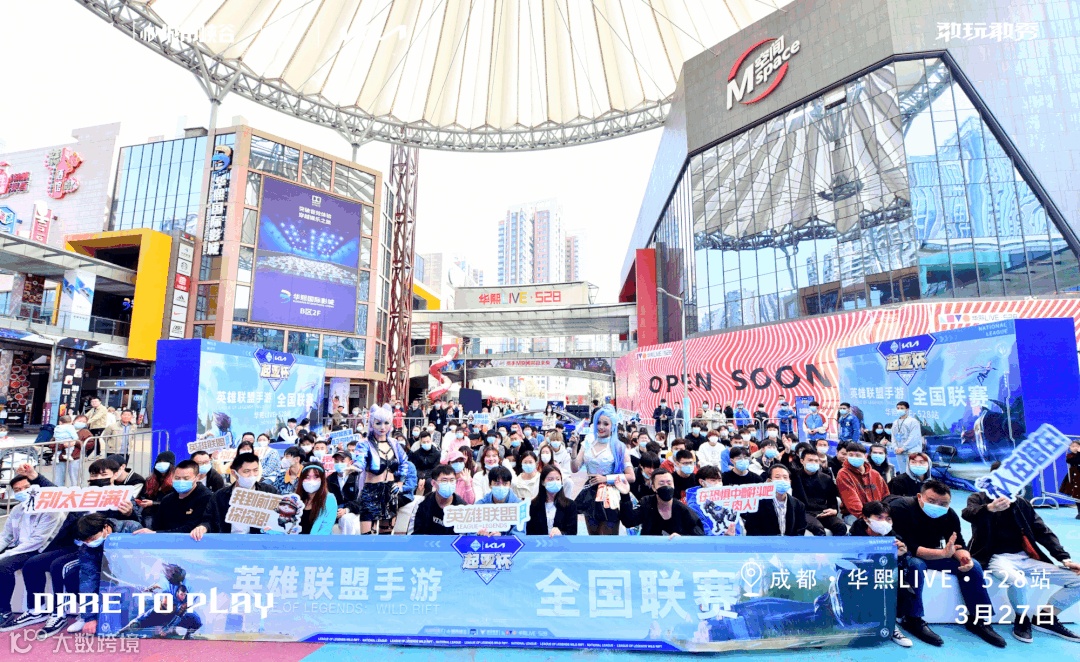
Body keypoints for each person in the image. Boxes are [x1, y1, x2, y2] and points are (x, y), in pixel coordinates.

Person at [888, 480, 1006, 648]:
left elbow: (958, 543)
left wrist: (964, 558)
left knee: (973, 566)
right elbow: (908, 546)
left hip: (935, 553)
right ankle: (912, 618)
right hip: (904, 554)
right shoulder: (901, 508)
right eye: (932, 501)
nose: (937, 506)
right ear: (919, 496)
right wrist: (942, 554)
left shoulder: (949, 515)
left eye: (943, 503)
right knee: (916, 565)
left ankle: (978, 620)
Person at [962, 479, 1080, 643]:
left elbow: (1042, 531)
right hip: (995, 557)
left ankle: (1046, 618)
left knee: (1078, 580)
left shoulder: (1022, 503)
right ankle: (1022, 619)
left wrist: (1064, 558)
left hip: (1025, 557)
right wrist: (990, 508)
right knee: (1018, 582)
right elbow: (968, 513)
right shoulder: (978, 498)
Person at [850, 501, 941, 648]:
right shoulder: (853, 535)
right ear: (866, 518)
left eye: (888, 518)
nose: (884, 522)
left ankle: (899, 622)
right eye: (879, 517)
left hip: (885, 574)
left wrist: (901, 555)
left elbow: (900, 562)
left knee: (914, 566)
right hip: (861, 574)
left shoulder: (893, 537)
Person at [0, 475, 65, 630]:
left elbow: (38, 540)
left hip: (40, 549)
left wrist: (8, 554)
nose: (22, 492)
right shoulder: (17, 509)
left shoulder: (51, 509)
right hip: (20, 548)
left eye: (26, 488)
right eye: (17, 490)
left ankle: (4, 611)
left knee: (4, 565)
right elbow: (6, 536)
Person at [68, 514, 147, 636]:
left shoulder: (131, 529)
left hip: (134, 571)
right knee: (76, 575)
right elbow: (88, 579)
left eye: (92, 538)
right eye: (85, 541)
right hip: (106, 574)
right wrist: (90, 618)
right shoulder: (86, 548)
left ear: (105, 527)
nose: (89, 543)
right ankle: (87, 616)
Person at [571, 406, 635, 535]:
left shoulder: (619, 447)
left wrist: (606, 479)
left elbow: (631, 476)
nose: (601, 427)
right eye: (598, 422)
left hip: (610, 494)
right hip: (590, 493)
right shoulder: (588, 443)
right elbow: (575, 468)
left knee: (608, 537)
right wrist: (574, 448)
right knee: (592, 537)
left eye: (606, 424)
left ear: (613, 426)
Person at [190, 452, 278, 540]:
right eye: (246, 471)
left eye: (255, 470)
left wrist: (275, 526)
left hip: (258, 542)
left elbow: (280, 517)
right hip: (228, 542)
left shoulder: (269, 492)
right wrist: (203, 527)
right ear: (234, 473)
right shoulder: (220, 496)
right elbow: (209, 519)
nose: (252, 475)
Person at [351, 405, 410, 533]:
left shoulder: (394, 444)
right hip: (371, 491)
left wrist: (400, 482)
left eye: (386, 423)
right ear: (372, 424)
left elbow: (405, 462)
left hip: (390, 491)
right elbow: (360, 459)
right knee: (367, 536)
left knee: (387, 534)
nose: (382, 427)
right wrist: (355, 467)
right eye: (378, 423)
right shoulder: (364, 444)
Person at [615, 470, 703, 537]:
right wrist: (625, 495)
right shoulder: (646, 502)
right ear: (653, 487)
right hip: (649, 549)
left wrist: (683, 538)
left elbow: (699, 533)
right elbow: (628, 521)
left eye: (669, 483)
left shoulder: (682, 509)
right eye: (661, 483)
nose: (666, 486)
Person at [792, 450, 847, 536]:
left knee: (841, 526)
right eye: (810, 460)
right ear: (802, 461)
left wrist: (833, 510)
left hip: (822, 512)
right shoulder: (794, 477)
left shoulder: (826, 478)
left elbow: (832, 499)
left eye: (816, 461)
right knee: (818, 528)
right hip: (804, 512)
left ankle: (834, 545)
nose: (813, 463)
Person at [743, 465, 807, 536]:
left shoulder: (799, 505)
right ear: (769, 481)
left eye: (785, 477)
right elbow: (752, 530)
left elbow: (800, 531)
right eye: (777, 477)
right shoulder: (757, 504)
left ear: (790, 482)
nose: (782, 480)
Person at [152, 461, 213, 533]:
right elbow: (157, 525)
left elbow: (192, 528)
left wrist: (158, 533)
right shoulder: (167, 500)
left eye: (186, 478)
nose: (181, 481)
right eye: (177, 478)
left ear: (197, 477)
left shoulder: (206, 498)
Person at [836, 442, 889, 524]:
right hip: (854, 515)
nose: (854, 458)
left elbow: (886, 496)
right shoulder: (843, 474)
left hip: (879, 514)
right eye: (851, 455)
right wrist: (867, 518)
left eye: (858, 455)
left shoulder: (875, 474)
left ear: (865, 456)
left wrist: (885, 514)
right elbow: (852, 501)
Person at [410, 465, 465, 535]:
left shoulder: (462, 507)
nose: (449, 484)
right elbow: (415, 534)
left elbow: (463, 537)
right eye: (444, 480)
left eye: (452, 480)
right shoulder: (423, 503)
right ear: (433, 483)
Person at [527, 466, 578, 536]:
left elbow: (572, 532)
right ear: (543, 482)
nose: (555, 482)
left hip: (561, 542)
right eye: (550, 479)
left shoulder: (570, 505)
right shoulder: (533, 505)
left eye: (558, 479)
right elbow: (529, 531)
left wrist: (561, 533)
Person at [291, 464, 337, 535]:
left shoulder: (329, 499)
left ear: (322, 480)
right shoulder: (295, 499)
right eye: (307, 477)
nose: (311, 481)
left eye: (316, 477)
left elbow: (326, 528)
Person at [138, 450, 176, 529]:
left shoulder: (175, 481)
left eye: (164, 462)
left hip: (167, 515)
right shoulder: (150, 480)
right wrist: (141, 501)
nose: (161, 464)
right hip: (149, 515)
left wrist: (153, 503)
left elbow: (173, 502)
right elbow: (144, 495)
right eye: (159, 462)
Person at [327, 452, 362, 535]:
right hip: (335, 512)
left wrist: (347, 509)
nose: (339, 464)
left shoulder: (358, 478)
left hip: (354, 512)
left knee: (346, 519)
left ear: (350, 462)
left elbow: (361, 500)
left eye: (342, 461)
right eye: (336, 461)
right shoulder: (330, 479)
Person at [891, 401, 923, 473]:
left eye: (902, 408)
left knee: (913, 472)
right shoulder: (895, 422)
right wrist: (895, 447)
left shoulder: (913, 421)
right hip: (899, 452)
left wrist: (903, 448)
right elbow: (893, 437)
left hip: (911, 452)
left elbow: (914, 437)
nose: (899, 410)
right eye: (898, 408)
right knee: (903, 472)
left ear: (907, 409)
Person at [51, 414, 81, 487]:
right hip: (64, 458)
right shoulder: (70, 428)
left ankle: (56, 456)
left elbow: (88, 444)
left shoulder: (57, 428)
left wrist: (76, 443)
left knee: (74, 478)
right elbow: (51, 445)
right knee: (59, 478)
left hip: (74, 458)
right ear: (72, 422)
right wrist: (74, 441)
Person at [1060, 439, 1080, 519]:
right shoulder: (1070, 456)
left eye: (1076, 446)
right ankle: (1079, 512)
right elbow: (1073, 461)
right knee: (1077, 495)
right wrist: (1078, 453)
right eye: (1072, 446)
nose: (1074, 448)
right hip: (1075, 477)